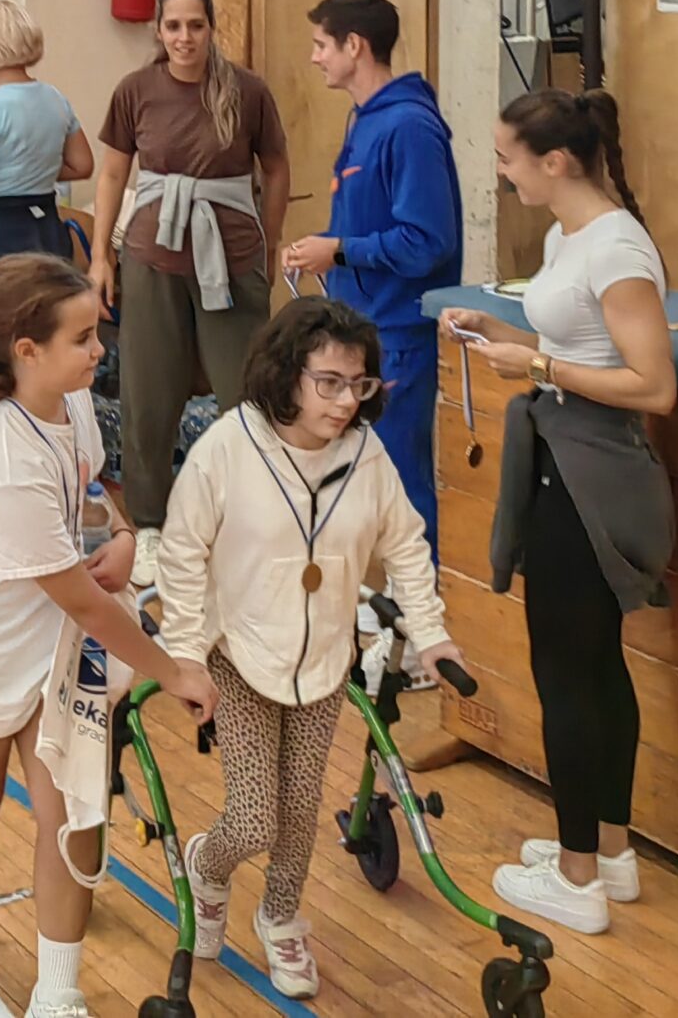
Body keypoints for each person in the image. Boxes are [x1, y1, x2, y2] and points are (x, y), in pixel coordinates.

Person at [0, 253, 216, 1018]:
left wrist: (125, 533)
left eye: (97, 332)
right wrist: (172, 669)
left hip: (48, 643)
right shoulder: (1, 455)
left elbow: (92, 491)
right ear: (26, 350)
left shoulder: (68, 404)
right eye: (83, 338)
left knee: (75, 812)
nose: (98, 350)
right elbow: (86, 600)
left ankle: (59, 992)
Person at [159, 298, 460, 1000]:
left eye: (359, 385)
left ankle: (282, 917)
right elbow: (180, 551)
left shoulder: (366, 453)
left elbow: (406, 546)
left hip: (326, 658)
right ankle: (207, 863)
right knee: (256, 816)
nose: (346, 400)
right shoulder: (229, 448)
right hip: (240, 654)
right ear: (288, 374)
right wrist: (184, 652)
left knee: (299, 812)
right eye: (329, 381)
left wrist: (432, 629)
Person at [440, 88, 675, 938]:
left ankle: (577, 875)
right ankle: (611, 850)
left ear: (556, 161)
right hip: (560, 459)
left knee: (570, 673)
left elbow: (653, 384)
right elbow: (578, 339)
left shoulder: (618, 249)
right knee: (592, 665)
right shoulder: (565, 235)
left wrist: (534, 363)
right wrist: (497, 325)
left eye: (507, 158)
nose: (500, 174)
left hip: (593, 474)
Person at [90, 0, 291, 587]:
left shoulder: (247, 91)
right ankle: (150, 526)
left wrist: (271, 240)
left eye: (195, 26)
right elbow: (113, 173)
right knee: (148, 396)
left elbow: (276, 167)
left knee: (245, 395)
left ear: (211, 28)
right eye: (173, 26)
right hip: (153, 256)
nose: (184, 38)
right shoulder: (136, 91)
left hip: (231, 257)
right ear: (158, 30)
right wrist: (101, 254)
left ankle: (248, 521)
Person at [280, 0, 462, 569]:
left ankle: (421, 624)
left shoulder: (407, 128)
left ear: (354, 46)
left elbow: (428, 241)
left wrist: (341, 250)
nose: (314, 58)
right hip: (360, 330)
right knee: (354, 479)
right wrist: (329, 253)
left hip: (398, 337)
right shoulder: (366, 119)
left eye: (321, 45)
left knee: (400, 485)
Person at [0, 0, 90, 324]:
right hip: (46, 226)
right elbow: (82, 165)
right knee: (45, 327)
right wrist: (33, 170)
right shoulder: (55, 99)